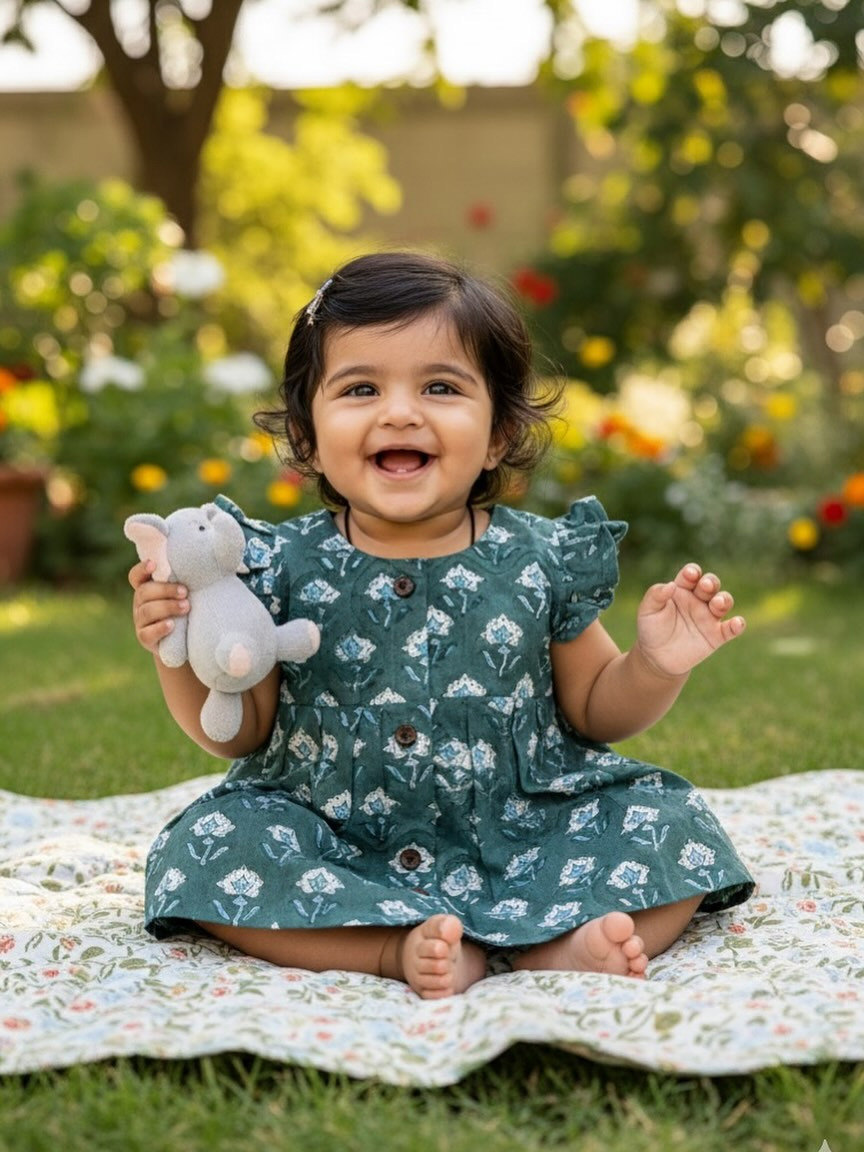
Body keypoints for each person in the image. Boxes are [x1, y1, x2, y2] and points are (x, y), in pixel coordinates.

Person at [130, 250, 754, 999]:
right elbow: (239, 734)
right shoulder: (278, 567)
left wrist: (655, 664)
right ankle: (390, 948)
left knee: (672, 820)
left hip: (526, 834)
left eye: (440, 387)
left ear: (498, 433)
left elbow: (597, 710)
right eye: (361, 388)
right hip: (333, 841)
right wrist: (176, 646)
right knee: (207, 846)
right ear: (308, 434)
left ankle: (556, 947)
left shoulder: (538, 559)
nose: (400, 412)